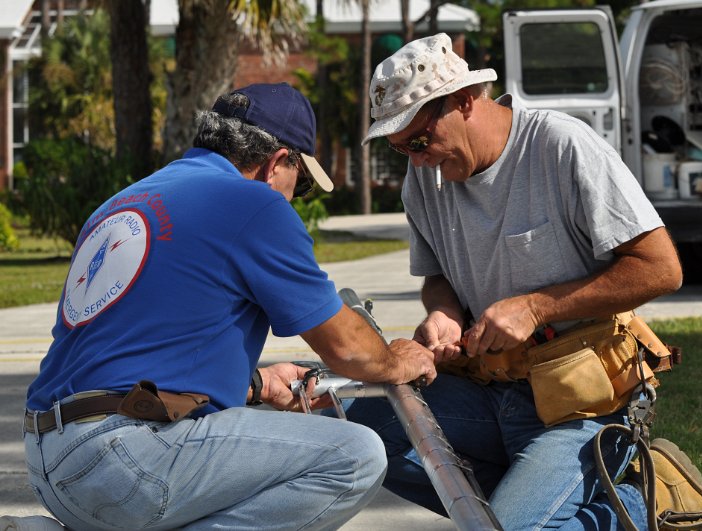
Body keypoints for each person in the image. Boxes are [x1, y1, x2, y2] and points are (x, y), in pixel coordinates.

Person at [12, 82, 436, 531]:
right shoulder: (254, 203)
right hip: (122, 457)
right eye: (303, 182)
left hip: (49, 457)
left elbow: (138, 346)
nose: (296, 197)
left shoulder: (126, 200)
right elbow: (348, 350)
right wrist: (397, 360)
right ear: (277, 163)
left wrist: (255, 383)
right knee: (353, 456)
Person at [344, 33, 687, 530]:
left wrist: (535, 308)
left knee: (500, 526)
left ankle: (634, 509)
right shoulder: (423, 180)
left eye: (419, 141)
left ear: (465, 100)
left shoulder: (560, 145)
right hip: (488, 388)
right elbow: (437, 276)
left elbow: (661, 268)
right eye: (401, 150)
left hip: (580, 401)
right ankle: (538, 501)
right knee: (361, 431)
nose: (416, 161)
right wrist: (443, 312)